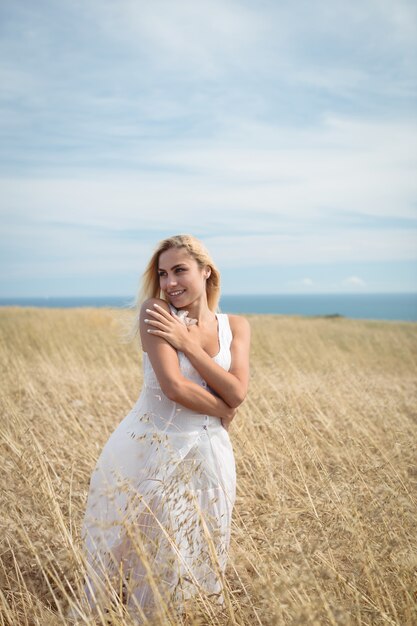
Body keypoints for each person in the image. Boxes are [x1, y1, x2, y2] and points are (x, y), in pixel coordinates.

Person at [77, 234, 251, 622]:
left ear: (206, 272)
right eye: (162, 273)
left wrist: (188, 345)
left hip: (212, 454)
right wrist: (224, 405)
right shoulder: (155, 311)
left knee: (202, 549)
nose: (170, 282)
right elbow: (174, 388)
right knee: (151, 557)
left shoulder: (235, 325)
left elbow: (238, 390)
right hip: (152, 448)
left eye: (180, 271)